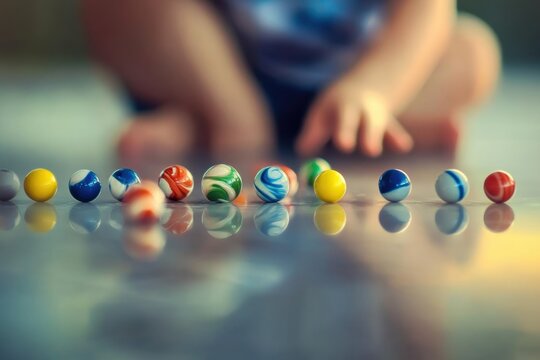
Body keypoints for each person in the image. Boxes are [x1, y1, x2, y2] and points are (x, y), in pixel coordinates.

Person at [81, 0, 500, 163]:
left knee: (473, 54)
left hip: (352, 75)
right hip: (226, 71)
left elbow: (426, 10)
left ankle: (358, 126)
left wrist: (374, 87)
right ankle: (223, 118)